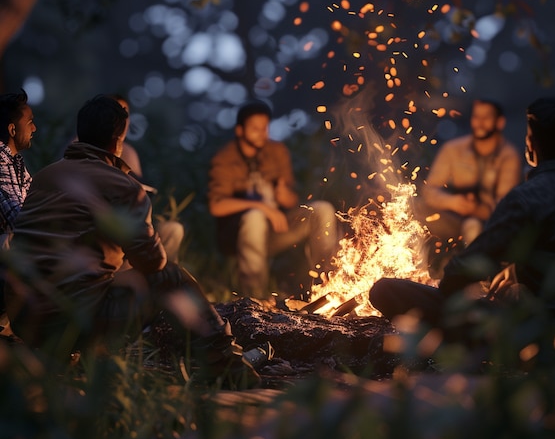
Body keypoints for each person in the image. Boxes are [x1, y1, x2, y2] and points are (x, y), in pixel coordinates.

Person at [4, 95, 258, 387]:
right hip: (75, 319)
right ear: (118, 140)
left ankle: (68, 356)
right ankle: (226, 366)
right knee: (172, 277)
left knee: (100, 280)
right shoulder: (123, 186)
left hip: (25, 317)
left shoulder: (44, 178)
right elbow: (153, 263)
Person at [370, 97, 555, 347]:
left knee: (385, 290)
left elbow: (464, 271)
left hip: (536, 334)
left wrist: (463, 288)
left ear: (531, 142)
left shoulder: (527, 197)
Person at [208, 101, 338, 299]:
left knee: (321, 210)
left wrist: (284, 196)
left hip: (273, 231)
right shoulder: (225, 159)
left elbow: (290, 201)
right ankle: (255, 299)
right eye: (255, 129)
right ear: (240, 130)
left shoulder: (275, 152)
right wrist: (259, 206)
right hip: (239, 236)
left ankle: (329, 285)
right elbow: (217, 206)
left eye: (264, 128)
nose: (262, 133)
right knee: (254, 217)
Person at [415, 99, 522, 276]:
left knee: (473, 226)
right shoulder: (454, 149)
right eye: (476, 117)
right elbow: (430, 190)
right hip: (452, 217)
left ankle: (474, 278)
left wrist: (477, 209)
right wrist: (453, 202)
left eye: (486, 118)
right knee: (416, 208)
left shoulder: (508, 155)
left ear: (499, 122)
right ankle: (416, 270)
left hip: (489, 224)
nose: (480, 123)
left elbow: (505, 205)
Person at [109, 94, 185, 263]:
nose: (122, 120)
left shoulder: (128, 151)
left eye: (125, 114)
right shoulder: (84, 143)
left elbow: (137, 187)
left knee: (172, 229)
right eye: (115, 113)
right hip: (106, 220)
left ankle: (164, 279)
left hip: (134, 220)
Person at [0, 89, 36, 247]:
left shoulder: (16, 162)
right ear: (12, 130)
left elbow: (35, 198)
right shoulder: (1, 163)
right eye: (30, 122)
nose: (34, 128)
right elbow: (18, 217)